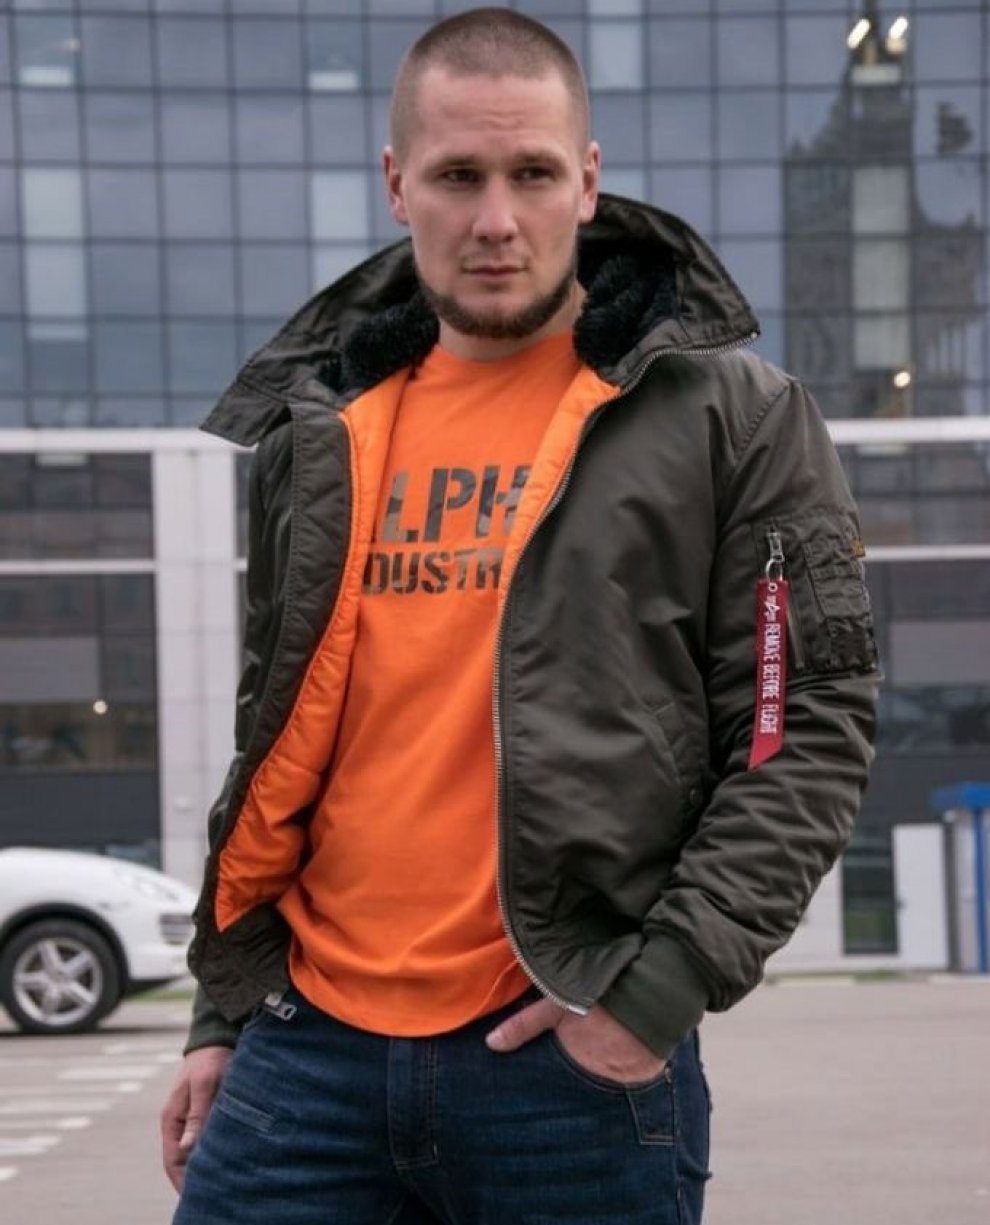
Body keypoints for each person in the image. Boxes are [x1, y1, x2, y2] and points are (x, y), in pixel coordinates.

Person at [161, 8, 879, 1223]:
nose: (496, 220)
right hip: (306, 1052)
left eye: (533, 174)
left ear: (587, 181)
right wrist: (222, 1011)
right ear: (398, 184)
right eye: (458, 176)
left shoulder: (731, 417)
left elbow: (800, 722)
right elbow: (275, 736)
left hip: (567, 1062)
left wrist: (657, 993)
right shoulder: (319, 428)